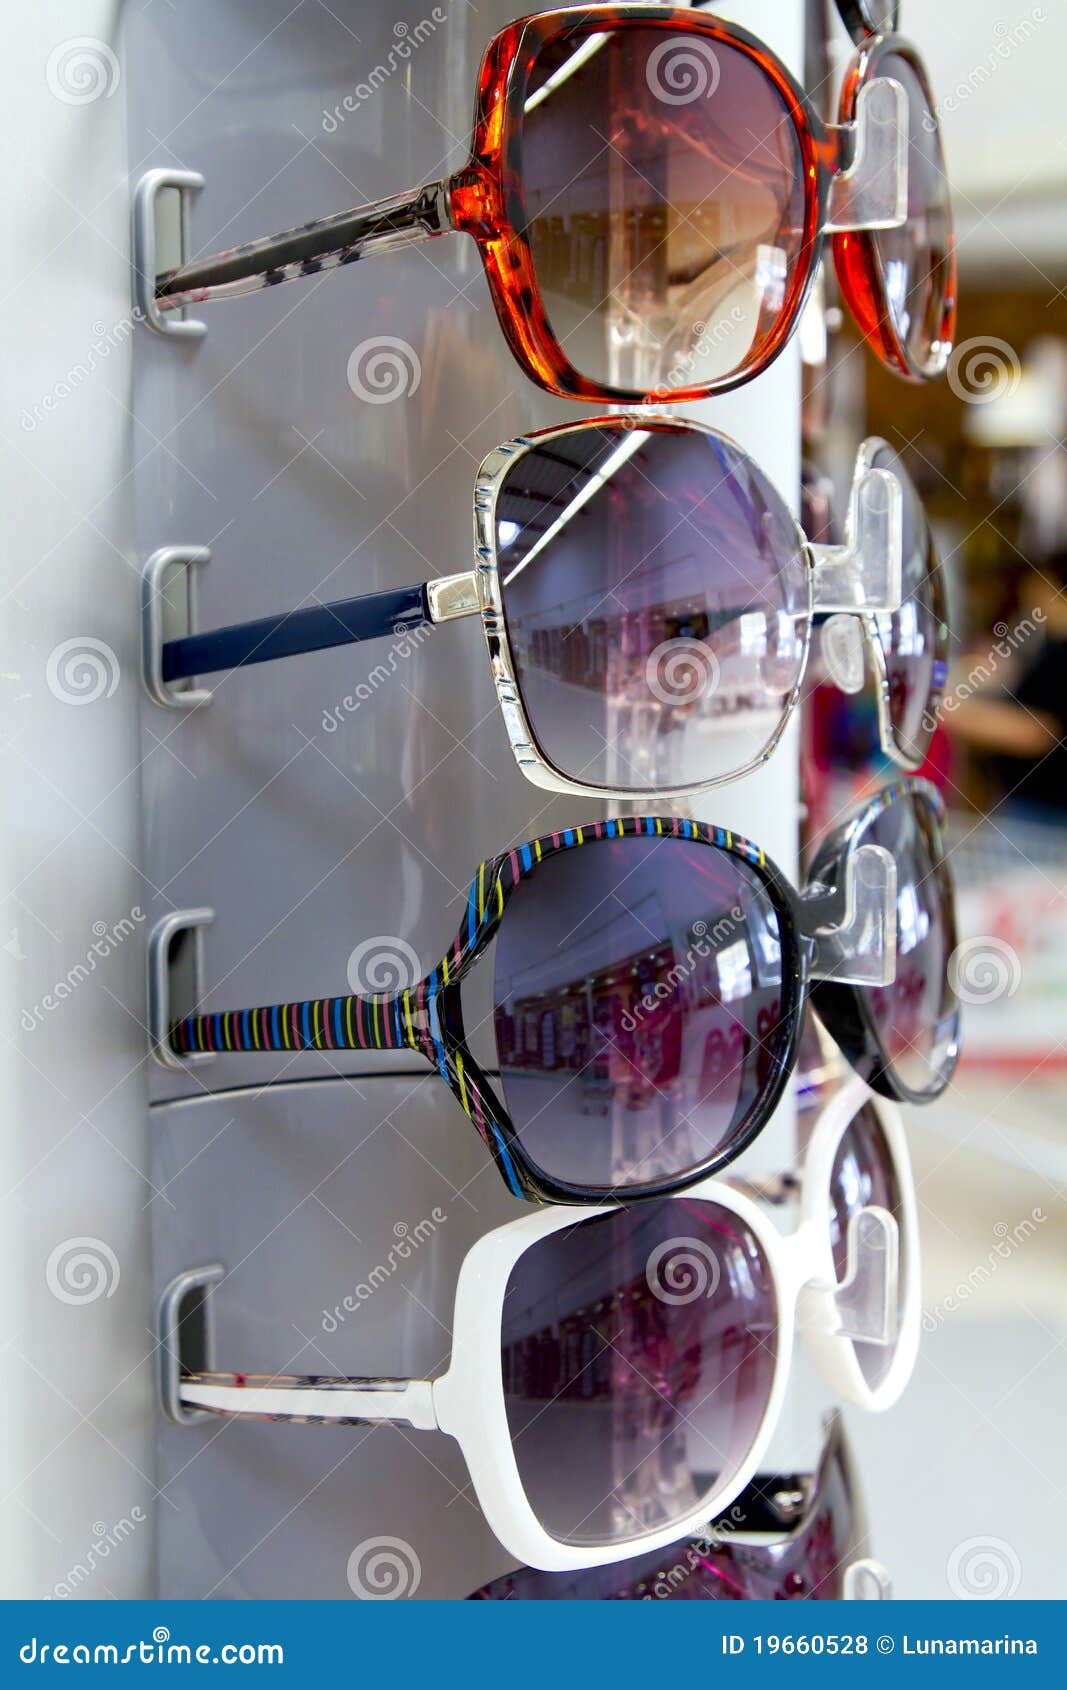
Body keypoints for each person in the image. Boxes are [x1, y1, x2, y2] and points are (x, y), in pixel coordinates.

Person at [947, 551, 1067, 816]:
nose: (1030, 600)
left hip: (1043, 812)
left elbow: (1036, 731)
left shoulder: (1061, 653)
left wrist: (948, 713)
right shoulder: (1050, 646)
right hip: (1027, 804)